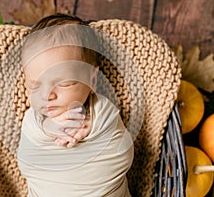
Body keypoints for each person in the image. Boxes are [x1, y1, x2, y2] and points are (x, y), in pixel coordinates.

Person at [17, 13, 134, 197]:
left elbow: (123, 152)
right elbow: (26, 160)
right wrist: (47, 129)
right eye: (35, 85)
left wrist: (93, 130)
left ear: (92, 79)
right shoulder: (33, 121)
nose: (48, 95)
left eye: (64, 84)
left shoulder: (103, 111)